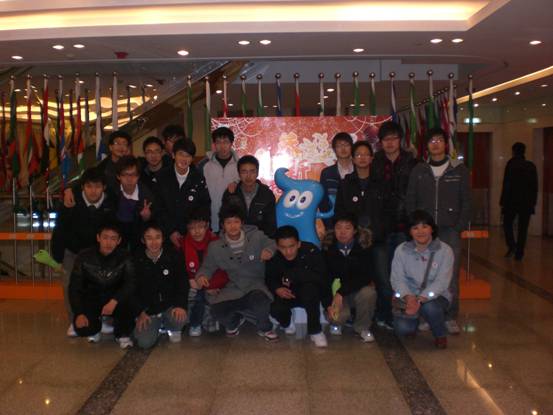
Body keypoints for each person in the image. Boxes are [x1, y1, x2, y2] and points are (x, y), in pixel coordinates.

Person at [406, 128, 471, 335]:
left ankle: (450, 316)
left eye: (439, 140)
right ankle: (427, 315)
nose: (435, 144)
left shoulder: (459, 170)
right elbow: (411, 199)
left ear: (446, 144)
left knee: (450, 274)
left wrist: (458, 226)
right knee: (424, 274)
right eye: (431, 141)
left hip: (450, 229)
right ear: (426, 146)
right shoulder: (419, 170)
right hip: (424, 231)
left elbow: (467, 202)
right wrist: (415, 226)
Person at [195, 205, 278, 341]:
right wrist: (202, 276)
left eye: (236, 222)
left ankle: (265, 328)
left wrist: (269, 250)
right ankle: (235, 321)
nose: (233, 226)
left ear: (242, 223)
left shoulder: (257, 236)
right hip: (233, 288)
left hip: (255, 286)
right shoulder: (215, 247)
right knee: (216, 311)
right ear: (223, 225)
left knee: (261, 301)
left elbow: (274, 244)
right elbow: (207, 267)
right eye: (228, 222)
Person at [52, 167, 117, 337]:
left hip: (99, 253)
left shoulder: (111, 202)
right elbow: (60, 228)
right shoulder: (71, 201)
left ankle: (101, 319)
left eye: (97, 186)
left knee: (102, 284)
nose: (93, 191)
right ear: (82, 187)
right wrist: (57, 255)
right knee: (69, 284)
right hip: (73, 251)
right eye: (89, 186)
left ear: (104, 187)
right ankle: (75, 321)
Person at [370, 121, 418, 330]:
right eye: (385, 139)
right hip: (380, 229)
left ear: (400, 140)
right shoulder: (374, 163)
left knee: (402, 274)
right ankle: (383, 313)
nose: (390, 143)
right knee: (382, 276)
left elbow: (415, 195)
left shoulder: (412, 163)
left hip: (404, 227)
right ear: (380, 142)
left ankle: (402, 312)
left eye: (393, 138)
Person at [390, 210, 453, 349]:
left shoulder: (445, 250)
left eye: (425, 226)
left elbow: (442, 282)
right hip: (409, 296)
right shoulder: (401, 250)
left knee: (430, 308)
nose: (420, 231)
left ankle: (440, 334)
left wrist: (420, 299)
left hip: (436, 296)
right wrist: (408, 297)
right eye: (415, 228)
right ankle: (416, 321)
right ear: (410, 231)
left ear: (432, 229)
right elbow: (397, 278)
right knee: (403, 329)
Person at [68, 222, 135, 349]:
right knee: (83, 329)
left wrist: (114, 301)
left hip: (116, 298)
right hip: (92, 297)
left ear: (119, 241)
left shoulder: (125, 257)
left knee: (130, 301)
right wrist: (79, 313)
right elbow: (74, 287)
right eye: (105, 237)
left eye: (113, 238)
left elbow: (131, 283)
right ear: (98, 238)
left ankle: (122, 334)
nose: (108, 242)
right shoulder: (84, 256)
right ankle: (96, 327)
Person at [266, 225, 331, 347]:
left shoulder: (311, 251)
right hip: (285, 293)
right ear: (277, 246)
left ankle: (315, 331)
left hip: (308, 292)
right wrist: (277, 288)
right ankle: (287, 323)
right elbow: (269, 278)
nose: (288, 252)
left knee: (310, 291)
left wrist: (295, 275)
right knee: (275, 309)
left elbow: (321, 277)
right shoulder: (274, 257)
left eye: (292, 246)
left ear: (299, 244)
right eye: (283, 248)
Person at [133, 222, 189, 349]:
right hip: (148, 310)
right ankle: (156, 325)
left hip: (170, 305)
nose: (154, 242)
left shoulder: (174, 255)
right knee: (144, 343)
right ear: (143, 240)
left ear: (163, 238)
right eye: (149, 238)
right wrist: (140, 312)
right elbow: (132, 289)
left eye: (157, 237)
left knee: (182, 318)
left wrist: (180, 305)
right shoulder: (136, 260)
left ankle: (171, 327)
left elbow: (182, 282)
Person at [322, 213, 376, 343]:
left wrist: (341, 292)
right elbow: (323, 280)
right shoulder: (327, 249)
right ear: (333, 230)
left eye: (347, 228)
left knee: (369, 293)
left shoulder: (364, 247)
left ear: (355, 230)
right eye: (338, 227)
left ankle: (362, 328)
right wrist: (328, 304)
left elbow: (365, 276)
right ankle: (336, 324)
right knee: (338, 317)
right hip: (334, 292)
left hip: (355, 290)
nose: (342, 232)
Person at [182, 208, 229, 337]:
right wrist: (189, 280)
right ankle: (195, 323)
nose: (196, 231)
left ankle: (209, 319)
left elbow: (224, 270)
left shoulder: (217, 242)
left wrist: (211, 285)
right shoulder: (182, 244)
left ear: (207, 225)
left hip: (213, 285)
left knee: (212, 327)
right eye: (192, 228)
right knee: (195, 294)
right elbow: (179, 271)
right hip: (193, 285)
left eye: (200, 227)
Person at [157, 138, 211, 249]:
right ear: (173, 155)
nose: (184, 159)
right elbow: (159, 207)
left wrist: (194, 229)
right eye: (181, 154)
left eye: (188, 156)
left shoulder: (198, 178)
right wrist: (171, 231)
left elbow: (204, 205)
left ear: (192, 159)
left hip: (191, 234)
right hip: (166, 234)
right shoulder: (162, 176)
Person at [63, 130, 132, 207]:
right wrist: (68, 189)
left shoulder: (133, 166)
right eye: (117, 143)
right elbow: (85, 179)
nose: (121, 147)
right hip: (107, 206)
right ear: (110, 147)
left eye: (124, 144)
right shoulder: (102, 166)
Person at [334, 140, 383, 238]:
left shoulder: (381, 183)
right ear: (353, 159)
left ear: (371, 158)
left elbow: (388, 210)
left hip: (378, 236)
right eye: (358, 155)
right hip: (353, 237)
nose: (362, 158)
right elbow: (339, 211)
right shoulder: (345, 184)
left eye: (366, 155)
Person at [500, 142, 538, 261]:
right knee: (523, 228)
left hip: (511, 202)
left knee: (507, 224)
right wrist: (533, 202)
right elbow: (535, 186)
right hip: (526, 203)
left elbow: (506, 184)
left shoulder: (511, 164)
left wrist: (503, 202)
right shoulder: (531, 166)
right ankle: (519, 253)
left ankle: (512, 246)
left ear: (513, 152)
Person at [221, 155, 277, 237]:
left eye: (252, 171)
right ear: (239, 174)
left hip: (260, 239)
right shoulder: (231, 193)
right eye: (244, 172)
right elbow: (223, 220)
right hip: (235, 238)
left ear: (257, 173)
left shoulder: (266, 194)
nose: (248, 176)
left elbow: (271, 226)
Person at [199, 127, 240, 232]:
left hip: (233, 222)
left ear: (231, 143)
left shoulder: (240, 165)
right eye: (218, 142)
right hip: (209, 220)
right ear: (214, 144)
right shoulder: (204, 165)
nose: (222, 146)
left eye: (225, 142)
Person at [114, 155, 159, 251]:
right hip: (116, 237)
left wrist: (147, 218)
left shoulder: (148, 196)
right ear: (118, 176)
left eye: (133, 174)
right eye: (125, 175)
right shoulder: (112, 193)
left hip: (139, 240)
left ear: (138, 176)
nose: (129, 179)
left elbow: (155, 223)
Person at [319, 132, 354, 228]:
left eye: (346, 145)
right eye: (339, 146)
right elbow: (323, 202)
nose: (343, 149)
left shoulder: (359, 170)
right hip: (334, 222)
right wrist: (330, 226)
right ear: (334, 149)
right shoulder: (327, 173)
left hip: (356, 224)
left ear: (352, 147)